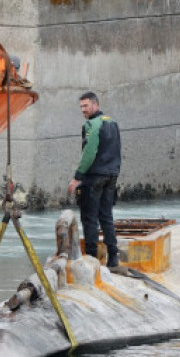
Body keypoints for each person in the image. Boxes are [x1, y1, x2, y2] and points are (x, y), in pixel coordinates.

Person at [67, 92, 121, 268]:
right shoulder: (112, 123)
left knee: (89, 217)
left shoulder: (92, 125)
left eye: (86, 106)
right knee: (106, 216)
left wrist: (77, 178)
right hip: (111, 175)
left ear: (95, 105)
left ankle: (91, 259)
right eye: (81, 107)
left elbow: (89, 153)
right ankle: (113, 258)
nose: (83, 110)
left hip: (95, 176)